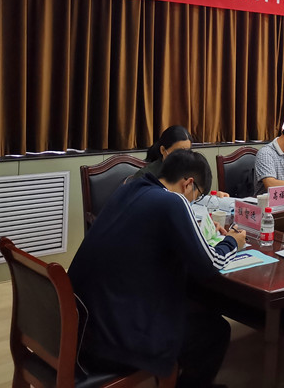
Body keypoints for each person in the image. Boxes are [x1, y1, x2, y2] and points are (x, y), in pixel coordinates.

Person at [69, 149, 247, 388]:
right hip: (113, 339)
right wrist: (232, 242)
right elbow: (210, 264)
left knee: (192, 306)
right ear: (188, 184)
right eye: (197, 196)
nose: (193, 202)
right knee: (215, 331)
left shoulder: (130, 188)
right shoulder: (173, 201)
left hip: (83, 324)